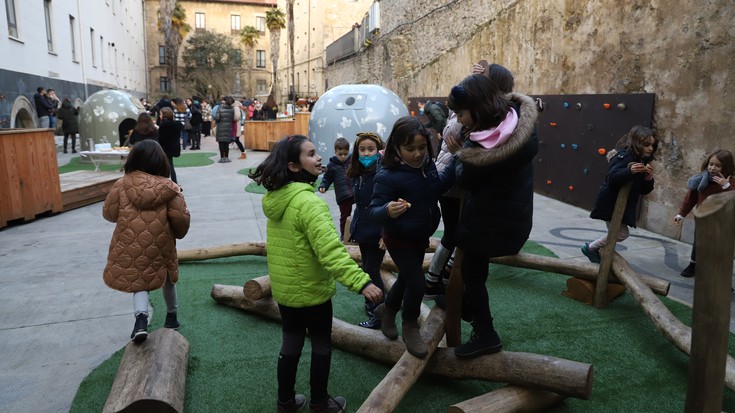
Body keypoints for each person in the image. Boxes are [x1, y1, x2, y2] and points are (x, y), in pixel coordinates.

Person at [248, 135, 382, 413]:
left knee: (291, 343)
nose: (319, 157)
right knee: (321, 345)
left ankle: (285, 402)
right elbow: (330, 251)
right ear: (295, 167)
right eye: (310, 154)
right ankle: (320, 403)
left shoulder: (277, 199)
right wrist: (362, 282)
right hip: (311, 292)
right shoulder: (309, 204)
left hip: (286, 292)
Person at [444, 73, 539, 358]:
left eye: (461, 114)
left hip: (492, 224)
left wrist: (459, 153)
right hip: (515, 219)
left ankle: (485, 334)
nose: (459, 120)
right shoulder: (516, 124)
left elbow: (467, 179)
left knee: (473, 273)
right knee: (475, 272)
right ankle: (466, 304)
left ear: (478, 108)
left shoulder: (481, 151)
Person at [425, 62, 516, 299]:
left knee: (459, 234)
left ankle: (441, 277)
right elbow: (452, 131)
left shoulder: (492, 114)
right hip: (452, 181)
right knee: (454, 234)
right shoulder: (469, 109)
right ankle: (433, 280)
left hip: (461, 179)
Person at [368, 116, 453, 358]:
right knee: (417, 282)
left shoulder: (427, 166)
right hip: (398, 238)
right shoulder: (388, 174)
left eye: (421, 147)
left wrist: (459, 161)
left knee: (406, 279)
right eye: (410, 149)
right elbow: (373, 212)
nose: (417, 153)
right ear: (396, 148)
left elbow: (437, 186)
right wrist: (387, 210)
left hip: (419, 235)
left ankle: (388, 310)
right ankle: (410, 325)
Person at [102, 140, 190, 343]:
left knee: (139, 280)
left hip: (130, 243)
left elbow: (109, 213)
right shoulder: (170, 188)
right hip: (162, 243)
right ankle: (171, 317)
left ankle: (141, 320)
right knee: (167, 278)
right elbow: (180, 218)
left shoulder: (121, 185)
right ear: (161, 162)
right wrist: (178, 233)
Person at [581, 125, 658, 264]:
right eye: (646, 145)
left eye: (652, 145)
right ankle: (591, 248)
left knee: (615, 233)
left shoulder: (642, 160)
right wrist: (630, 172)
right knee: (621, 233)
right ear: (637, 143)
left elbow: (643, 189)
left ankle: (603, 253)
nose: (650, 149)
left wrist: (648, 178)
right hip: (611, 203)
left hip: (623, 205)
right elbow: (612, 178)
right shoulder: (624, 156)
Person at [346, 132, 386, 329]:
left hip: (377, 230)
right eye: (362, 149)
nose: (366, 153)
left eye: (370, 149)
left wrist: (385, 233)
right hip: (363, 228)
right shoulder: (357, 172)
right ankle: (373, 304)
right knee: (367, 267)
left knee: (372, 270)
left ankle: (380, 312)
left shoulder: (382, 173)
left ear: (378, 150)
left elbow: (388, 204)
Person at [673, 149, 734, 277]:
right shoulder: (701, 180)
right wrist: (681, 214)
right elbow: (690, 199)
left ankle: (720, 276)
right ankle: (693, 265)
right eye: (711, 164)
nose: (713, 168)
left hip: (722, 223)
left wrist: (726, 186)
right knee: (698, 244)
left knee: (719, 249)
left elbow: (732, 199)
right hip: (702, 219)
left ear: (726, 167)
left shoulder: (731, 183)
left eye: (718, 165)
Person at [318, 137, 354, 239]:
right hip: (343, 196)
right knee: (345, 216)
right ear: (335, 152)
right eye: (340, 154)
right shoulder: (332, 165)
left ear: (348, 151)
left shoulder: (352, 161)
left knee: (360, 211)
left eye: (345, 154)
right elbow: (327, 179)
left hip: (355, 192)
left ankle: (357, 231)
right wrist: (323, 186)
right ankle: (344, 234)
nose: (343, 157)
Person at [158, 107, 182, 184]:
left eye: (160, 114)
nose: (159, 116)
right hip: (173, 147)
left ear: (165, 115)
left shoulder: (164, 125)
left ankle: (171, 183)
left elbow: (161, 138)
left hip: (165, 148)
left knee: (167, 166)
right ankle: (174, 182)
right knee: (170, 165)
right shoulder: (176, 125)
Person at [213, 96, 235, 163]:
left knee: (221, 144)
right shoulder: (232, 109)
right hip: (228, 127)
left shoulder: (220, 107)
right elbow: (232, 118)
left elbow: (217, 118)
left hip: (221, 127)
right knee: (226, 144)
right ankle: (227, 158)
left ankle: (222, 157)